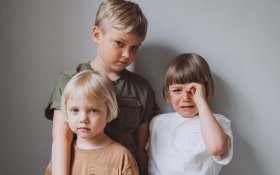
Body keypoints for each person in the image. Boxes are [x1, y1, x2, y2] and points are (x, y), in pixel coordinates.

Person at [44, 0, 159, 174]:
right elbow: (61, 137)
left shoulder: (141, 89)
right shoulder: (70, 78)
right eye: (119, 43)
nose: (127, 54)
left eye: (134, 47)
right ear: (97, 35)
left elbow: (142, 147)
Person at [147, 53, 233, 175]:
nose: (186, 98)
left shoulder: (218, 122)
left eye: (193, 90)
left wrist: (201, 101)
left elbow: (216, 148)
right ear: (168, 92)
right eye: (177, 90)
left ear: (205, 90)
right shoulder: (157, 122)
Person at [45, 70, 139, 175]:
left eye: (93, 110)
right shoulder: (60, 160)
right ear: (66, 112)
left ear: (108, 112)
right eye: (75, 110)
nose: (83, 119)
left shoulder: (122, 158)